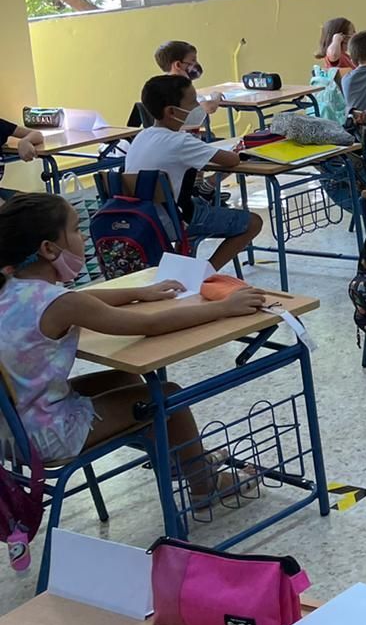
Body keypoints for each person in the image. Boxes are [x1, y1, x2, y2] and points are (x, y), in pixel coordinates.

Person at [0, 192, 269, 504]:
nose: (83, 237)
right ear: (48, 249)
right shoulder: (60, 303)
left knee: (123, 379)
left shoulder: (12, 288)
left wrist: (140, 292)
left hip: (11, 429)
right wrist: (223, 308)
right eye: (75, 229)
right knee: (168, 396)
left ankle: (182, 458)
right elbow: (149, 325)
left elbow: (82, 301)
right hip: (45, 436)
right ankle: (204, 486)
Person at [124, 75, 263, 272]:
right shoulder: (180, 141)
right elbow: (232, 160)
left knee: (200, 201)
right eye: (192, 102)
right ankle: (204, 272)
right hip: (173, 220)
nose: (198, 107)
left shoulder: (141, 136)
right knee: (253, 222)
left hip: (142, 217)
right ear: (171, 111)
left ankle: (187, 266)